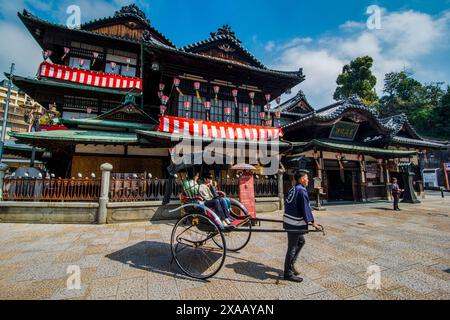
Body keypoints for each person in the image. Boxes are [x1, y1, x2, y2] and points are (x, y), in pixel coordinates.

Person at [283, 170, 322, 283]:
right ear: (301, 179)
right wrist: (313, 222)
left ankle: (291, 263)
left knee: (301, 241)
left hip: (289, 220)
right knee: (292, 247)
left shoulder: (293, 188)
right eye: (306, 177)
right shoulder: (301, 190)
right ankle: (287, 273)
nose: (308, 180)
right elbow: (305, 208)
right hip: (294, 223)